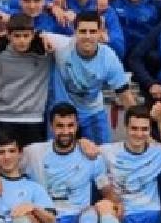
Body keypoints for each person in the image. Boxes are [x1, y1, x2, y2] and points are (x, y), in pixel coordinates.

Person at [16, 103, 107, 223]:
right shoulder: (33, 152)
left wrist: (116, 204)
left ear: (77, 126)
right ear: (51, 126)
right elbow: (4, 162)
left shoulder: (92, 155)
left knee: (92, 210)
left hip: (76, 221)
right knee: (21, 215)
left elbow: (106, 191)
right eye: (60, 126)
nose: (65, 131)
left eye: (70, 126)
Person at [47, 12, 135, 143]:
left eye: (92, 31)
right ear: (74, 31)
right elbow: (28, 33)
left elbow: (125, 95)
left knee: (102, 153)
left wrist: (141, 125)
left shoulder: (109, 57)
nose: (87, 36)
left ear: (101, 33)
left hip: (93, 112)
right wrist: (40, 36)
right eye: (83, 31)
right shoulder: (61, 46)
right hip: (62, 113)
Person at [0, 14, 53, 146]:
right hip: (3, 117)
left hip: (34, 119)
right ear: (8, 36)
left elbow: (70, 41)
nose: (22, 40)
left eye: (26, 36)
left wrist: (43, 35)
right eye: (17, 36)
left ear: (33, 35)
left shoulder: (45, 53)